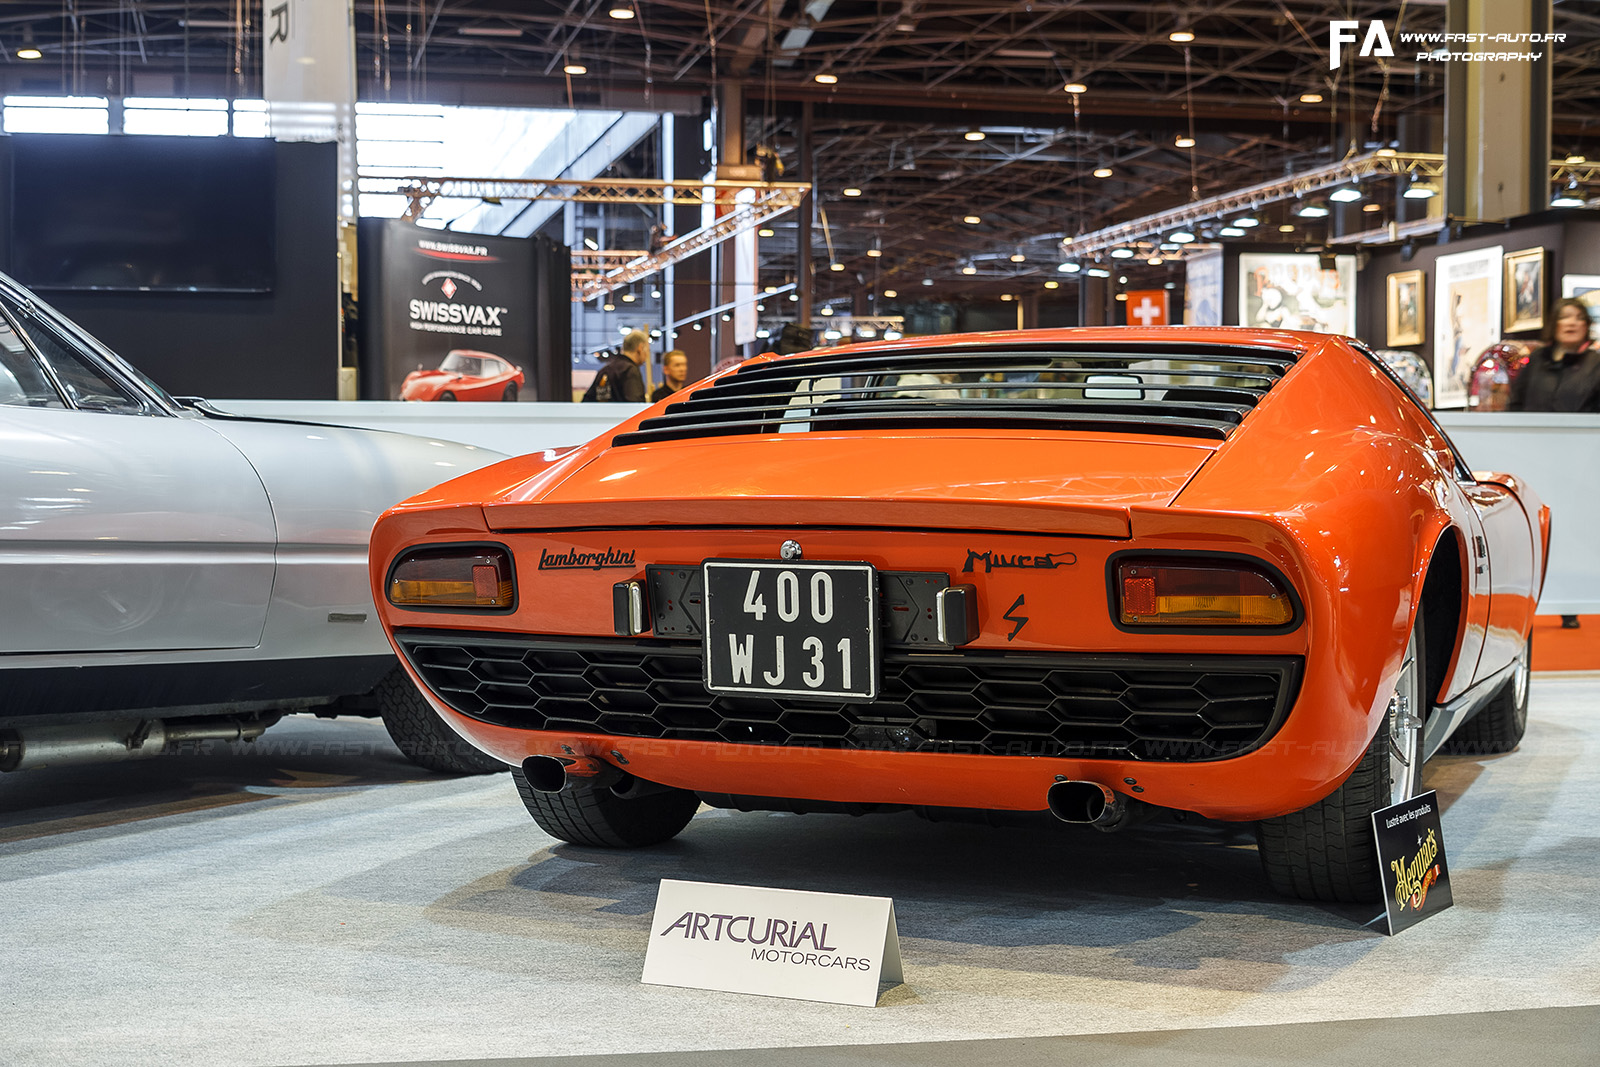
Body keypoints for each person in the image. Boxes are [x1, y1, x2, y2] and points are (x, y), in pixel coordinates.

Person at [1510, 298, 1600, 629]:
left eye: (1578, 318)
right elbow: (1515, 406)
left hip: (1578, 462)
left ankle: (1569, 601)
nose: (1571, 323)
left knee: (1572, 528)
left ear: (1585, 325)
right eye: (1564, 317)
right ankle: (1528, 600)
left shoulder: (1596, 363)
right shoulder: (1534, 363)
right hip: (1532, 456)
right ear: (1555, 324)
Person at [582, 329, 649, 403]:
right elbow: (635, 404)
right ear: (640, 348)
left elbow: (586, 401)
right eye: (648, 350)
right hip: (625, 414)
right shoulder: (630, 371)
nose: (647, 355)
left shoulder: (604, 370)